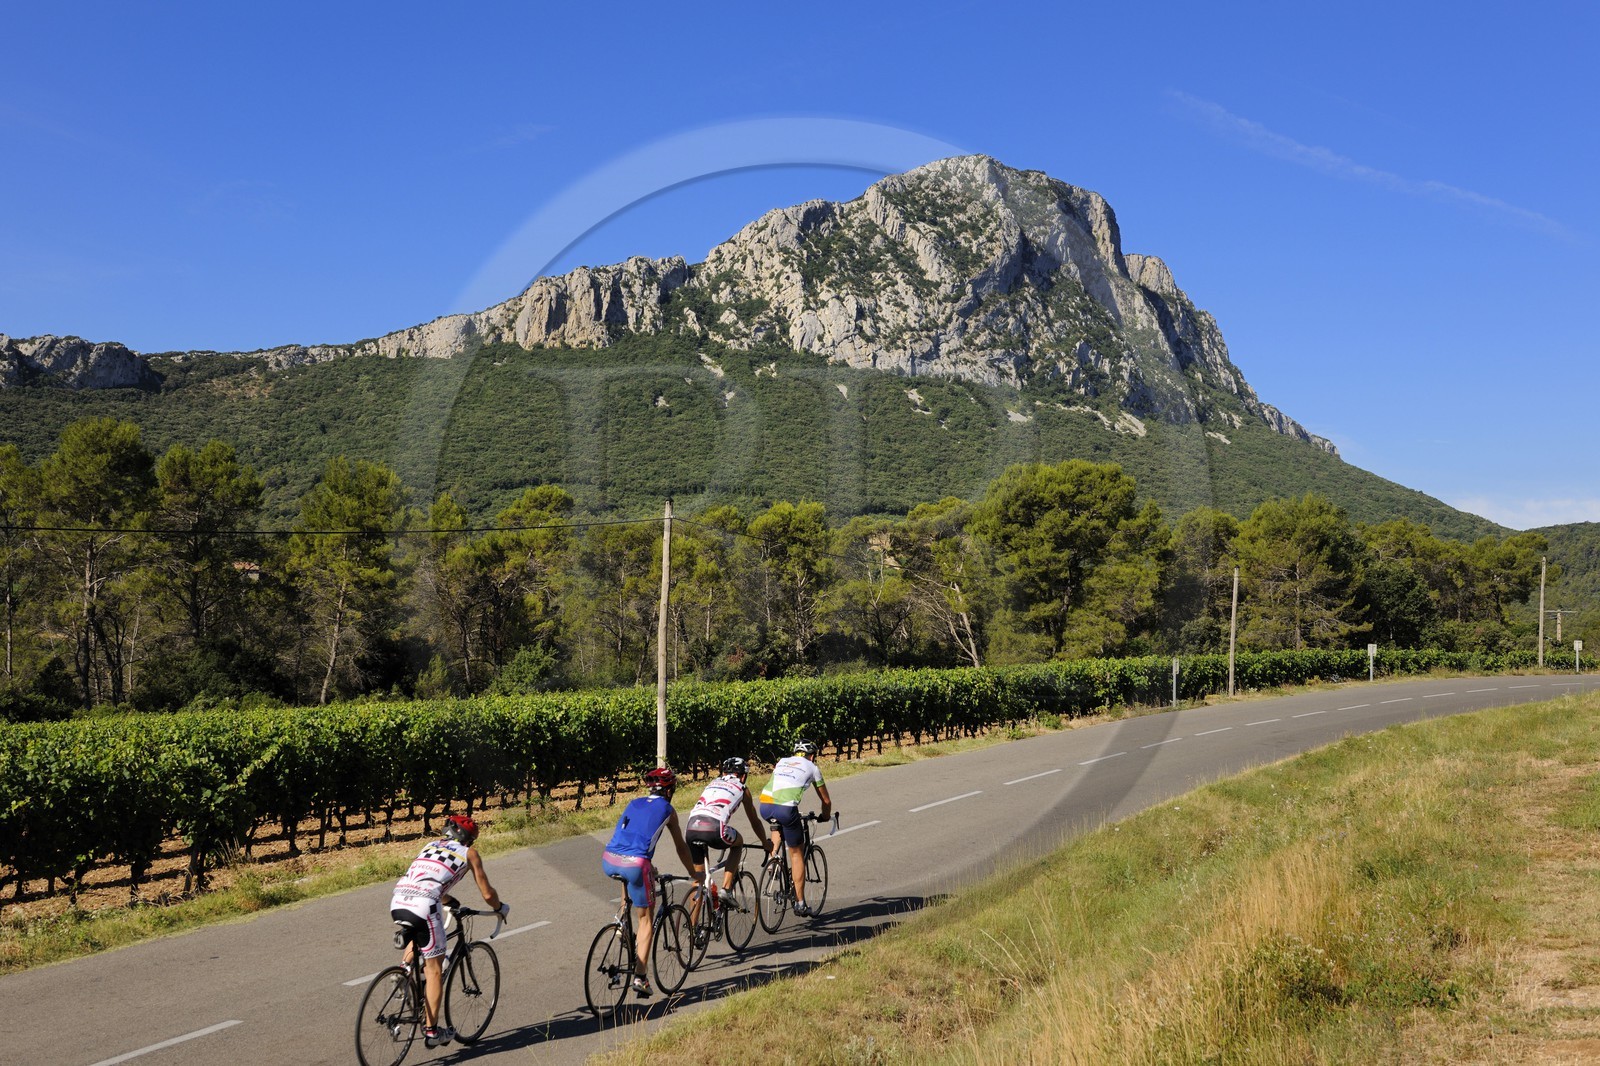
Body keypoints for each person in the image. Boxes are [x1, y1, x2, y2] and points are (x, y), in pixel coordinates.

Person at [389, 813, 508, 1049]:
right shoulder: (468, 854)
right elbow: (487, 894)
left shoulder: (430, 845)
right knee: (434, 970)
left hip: (399, 898)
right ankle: (432, 1032)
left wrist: (450, 900)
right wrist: (500, 908)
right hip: (425, 904)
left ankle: (403, 972)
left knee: (418, 933)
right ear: (468, 839)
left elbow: (428, 878)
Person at [600, 766, 696, 997]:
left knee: (631, 883)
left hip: (609, 858)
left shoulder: (633, 803)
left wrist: (648, 866)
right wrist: (695, 873)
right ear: (669, 789)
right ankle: (641, 977)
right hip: (636, 864)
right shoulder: (669, 810)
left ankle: (622, 924)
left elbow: (627, 837)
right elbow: (681, 847)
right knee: (646, 921)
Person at [684, 756, 771, 925]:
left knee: (699, 880)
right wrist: (764, 842)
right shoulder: (742, 788)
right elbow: (754, 821)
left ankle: (693, 930)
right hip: (715, 828)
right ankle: (726, 889)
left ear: (723, 772)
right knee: (738, 843)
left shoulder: (712, 783)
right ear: (743, 776)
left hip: (691, 827)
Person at [758, 738, 833, 917]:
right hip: (786, 809)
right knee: (796, 853)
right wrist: (825, 816)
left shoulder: (782, 761)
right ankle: (800, 903)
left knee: (777, 826)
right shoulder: (813, 768)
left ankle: (773, 862)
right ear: (812, 755)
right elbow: (826, 800)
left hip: (765, 805)